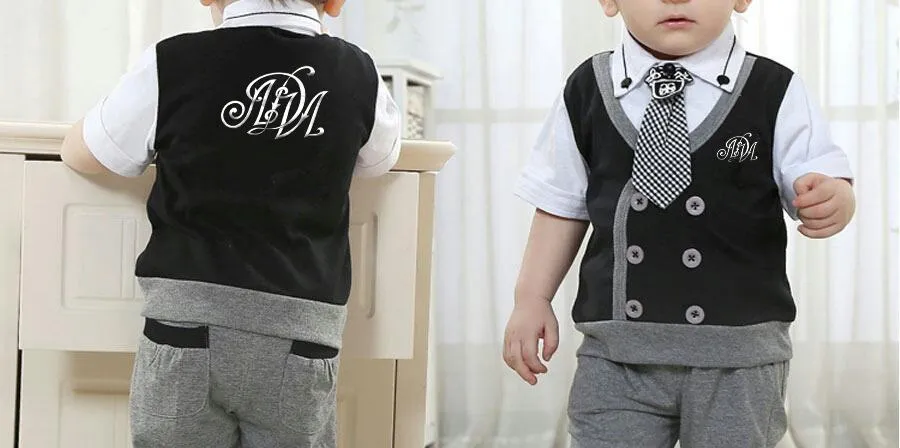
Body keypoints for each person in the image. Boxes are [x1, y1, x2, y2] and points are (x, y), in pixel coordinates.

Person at [503, 0, 855, 446]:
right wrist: (531, 298)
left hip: (739, 357)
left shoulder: (775, 88)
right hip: (617, 354)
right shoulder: (587, 88)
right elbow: (561, 204)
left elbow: (817, 171)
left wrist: (833, 197)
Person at [60, 0, 401, 446]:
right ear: (335, 2)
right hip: (301, 336)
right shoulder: (359, 74)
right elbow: (380, 159)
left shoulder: (173, 62)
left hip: (185, 328)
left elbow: (85, 152)